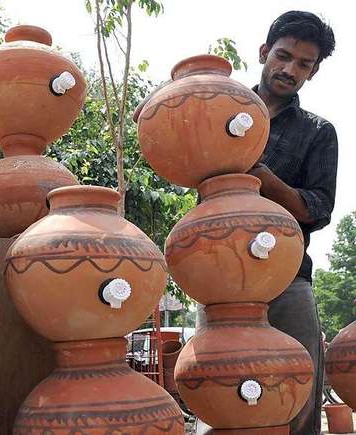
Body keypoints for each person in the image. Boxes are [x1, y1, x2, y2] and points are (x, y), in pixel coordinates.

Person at [195, 10, 337, 435]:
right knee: (217, 390)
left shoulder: (318, 132)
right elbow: (165, 137)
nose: (290, 69)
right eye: (284, 56)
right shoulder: (217, 111)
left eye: (303, 64)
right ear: (264, 52)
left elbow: (319, 209)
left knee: (297, 389)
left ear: (313, 73)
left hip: (287, 278)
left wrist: (265, 180)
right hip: (218, 276)